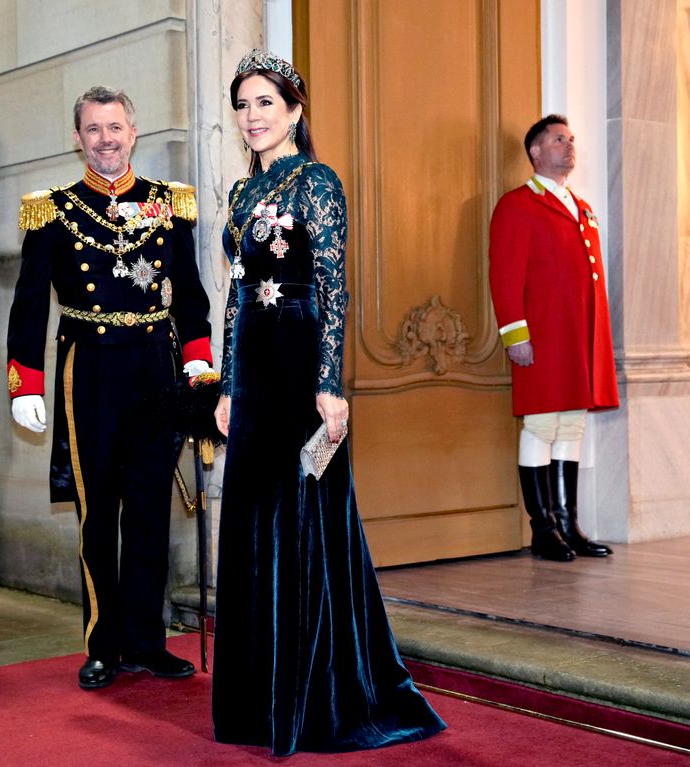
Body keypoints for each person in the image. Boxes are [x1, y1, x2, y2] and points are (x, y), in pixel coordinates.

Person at [211, 50, 446, 756]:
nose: (252, 116)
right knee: (252, 526)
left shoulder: (316, 181)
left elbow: (334, 285)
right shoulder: (242, 191)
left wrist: (329, 384)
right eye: (243, 105)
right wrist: (226, 385)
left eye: (265, 102)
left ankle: (318, 698)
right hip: (253, 376)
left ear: (294, 110)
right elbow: (234, 296)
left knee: (303, 525)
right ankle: (258, 701)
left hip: (299, 369)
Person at [6, 86, 214, 690]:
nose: (106, 140)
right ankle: (103, 645)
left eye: (115, 127)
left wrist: (199, 366)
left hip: (155, 368)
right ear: (78, 138)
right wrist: (26, 383)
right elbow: (28, 305)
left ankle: (147, 642)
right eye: (94, 129)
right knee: (97, 512)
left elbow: (191, 295)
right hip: (90, 370)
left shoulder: (168, 203)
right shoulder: (53, 211)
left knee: (149, 510)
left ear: (133, 131)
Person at [488, 115, 619, 562]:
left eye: (571, 139)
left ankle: (568, 525)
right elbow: (505, 277)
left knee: (571, 426)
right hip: (542, 338)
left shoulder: (581, 208)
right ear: (536, 152)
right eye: (558, 139)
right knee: (542, 426)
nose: (569, 145)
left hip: (578, 340)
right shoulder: (518, 205)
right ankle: (543, 529)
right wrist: (515, 335)